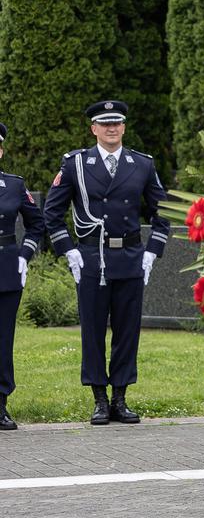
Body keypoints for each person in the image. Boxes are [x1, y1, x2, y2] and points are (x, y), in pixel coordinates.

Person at [42, 100, 170, 425]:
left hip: (129, 256)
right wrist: (68, 251)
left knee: (127, 330)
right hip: (91, 258)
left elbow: (163, 213)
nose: (111, 128)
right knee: (93, 329)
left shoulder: (141, 164)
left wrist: (152, 252)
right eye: (104, 123)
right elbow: (51, 213)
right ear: (93, 128)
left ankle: (121, 398)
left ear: (124, 127)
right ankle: (99, 398)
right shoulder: (75, 164)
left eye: (117, 122)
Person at [0, 122, 44, 431]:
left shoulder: (14, 185)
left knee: (2, 340)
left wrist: (24, 256)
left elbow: (36, 224)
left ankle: (0, 404)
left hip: (5, 269)